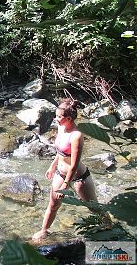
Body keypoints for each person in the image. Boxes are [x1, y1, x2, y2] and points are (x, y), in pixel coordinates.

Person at [32, 99, 111, 241]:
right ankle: (44, 231)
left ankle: (111, 228)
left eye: (59, 117)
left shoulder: (77, 135)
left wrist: (66, 184)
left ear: (68, 118)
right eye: (56, 116)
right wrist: (52, 166)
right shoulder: (61, 128)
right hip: (60, 174)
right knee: (53, 204)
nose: (56, 119)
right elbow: (60, 151)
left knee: (93, 207)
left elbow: (74, 165)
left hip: (79, 177)